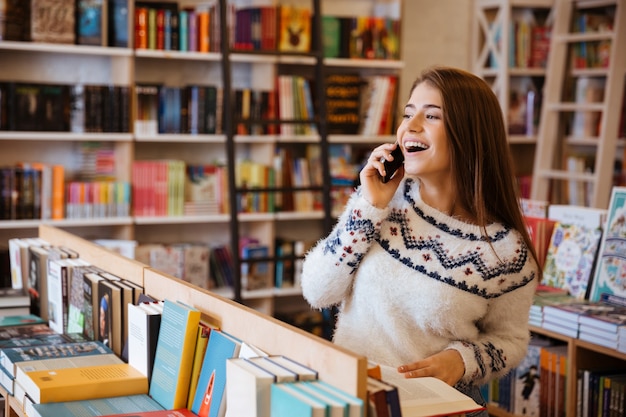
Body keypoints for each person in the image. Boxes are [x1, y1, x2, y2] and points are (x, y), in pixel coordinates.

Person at [300, 66, 540, 415]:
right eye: (408, 114)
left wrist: (461, 361)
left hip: (435, 408)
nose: (409, 127)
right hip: (353, 397)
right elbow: (317, 290)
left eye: (431, 116)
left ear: (470, 134)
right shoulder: (380, 205)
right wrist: (370, 206)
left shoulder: (507, 253)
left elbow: (511, 340)